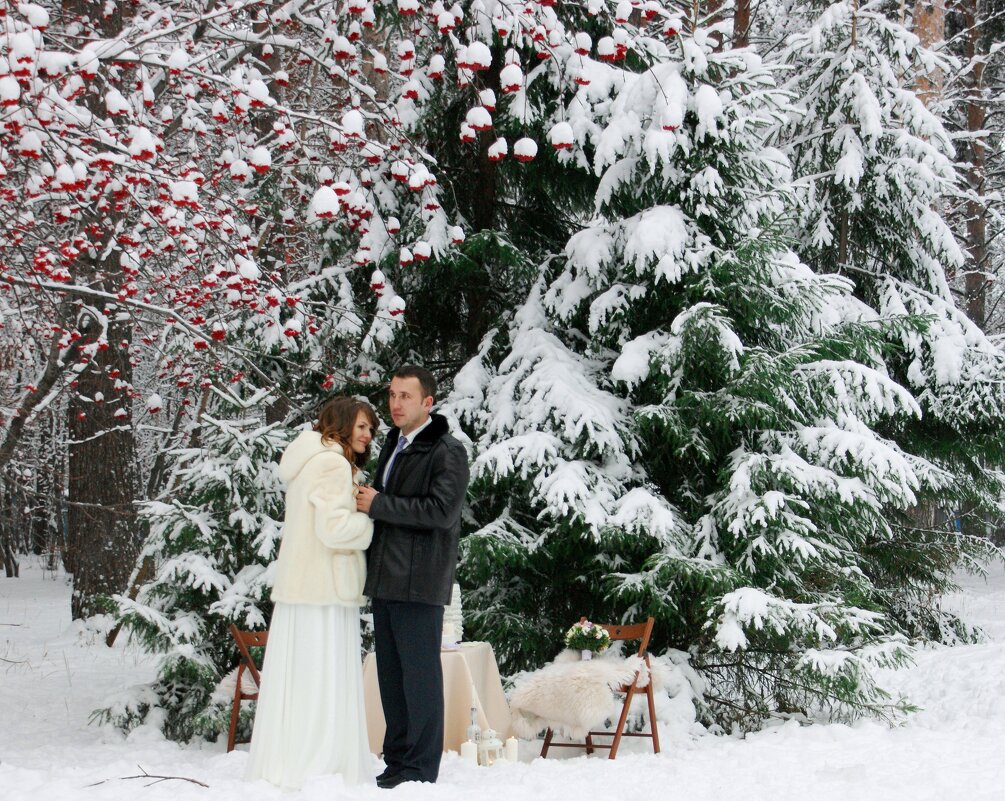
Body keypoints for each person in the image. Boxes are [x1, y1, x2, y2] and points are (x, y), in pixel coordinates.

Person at [246, 396, 379, 790]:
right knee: (322, 678)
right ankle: (318, 762)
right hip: (324, 588)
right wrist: (370, 522)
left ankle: (294, 759)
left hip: (305, 586)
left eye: (370, 428)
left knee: (303, 679)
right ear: (339, 426)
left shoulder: (310, 461)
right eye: (361, 427)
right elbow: (334, 529)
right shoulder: (332, 463)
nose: (368, 435)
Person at [356, 365, 469, 788]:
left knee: (419, 679)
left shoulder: (446, 450)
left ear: (428, 402)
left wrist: (379, 504)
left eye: (406, 396)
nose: (396, 403)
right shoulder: (394, 444)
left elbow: (442, 513)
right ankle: (397, 762)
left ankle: (420, 769)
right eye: (392, 394)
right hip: (385, 579)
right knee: (392, 678)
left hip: (420, 582)